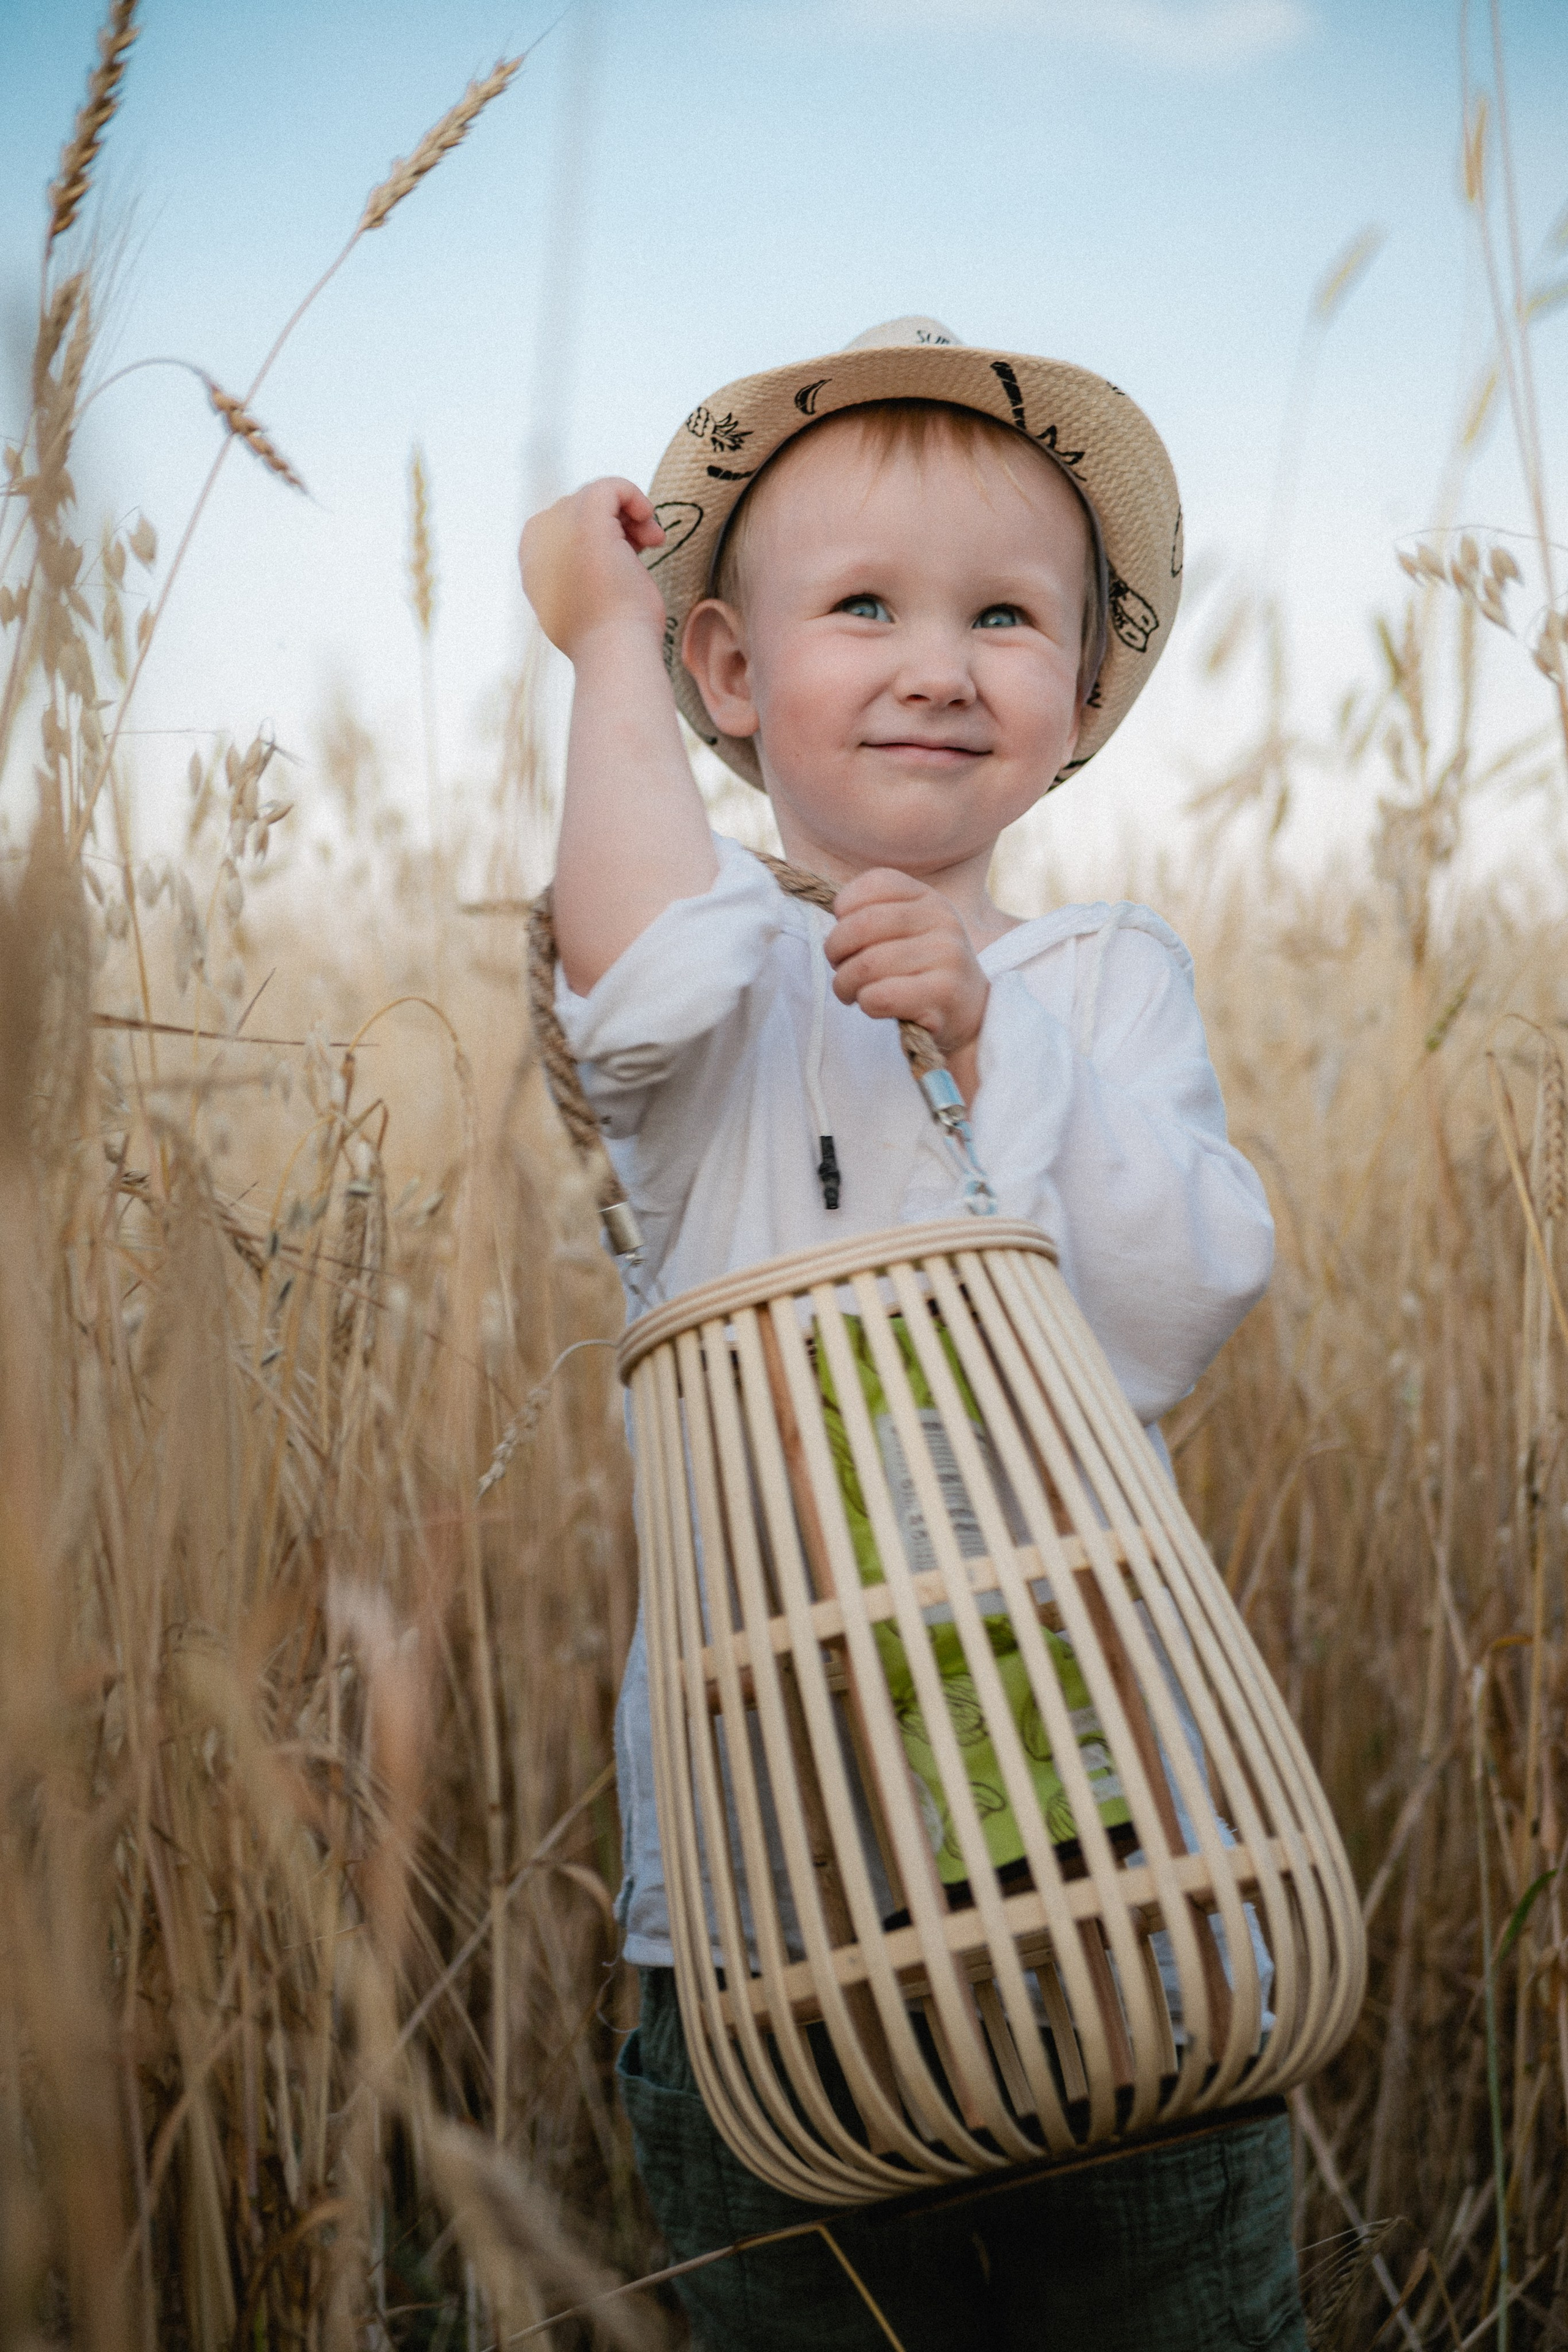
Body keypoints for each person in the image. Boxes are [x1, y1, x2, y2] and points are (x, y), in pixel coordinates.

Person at [519, 320, 1299, 2351]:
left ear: (1084, 691)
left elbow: (1182, 1290)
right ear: (730, 673)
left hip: (1116, 1862)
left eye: (1006, 617)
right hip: (782, 1894)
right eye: (859, 607)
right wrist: (600, 633)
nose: (940, 661)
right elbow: (632, 978)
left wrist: (987, 1019)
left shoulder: (1102, 978)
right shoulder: (719, 1000)